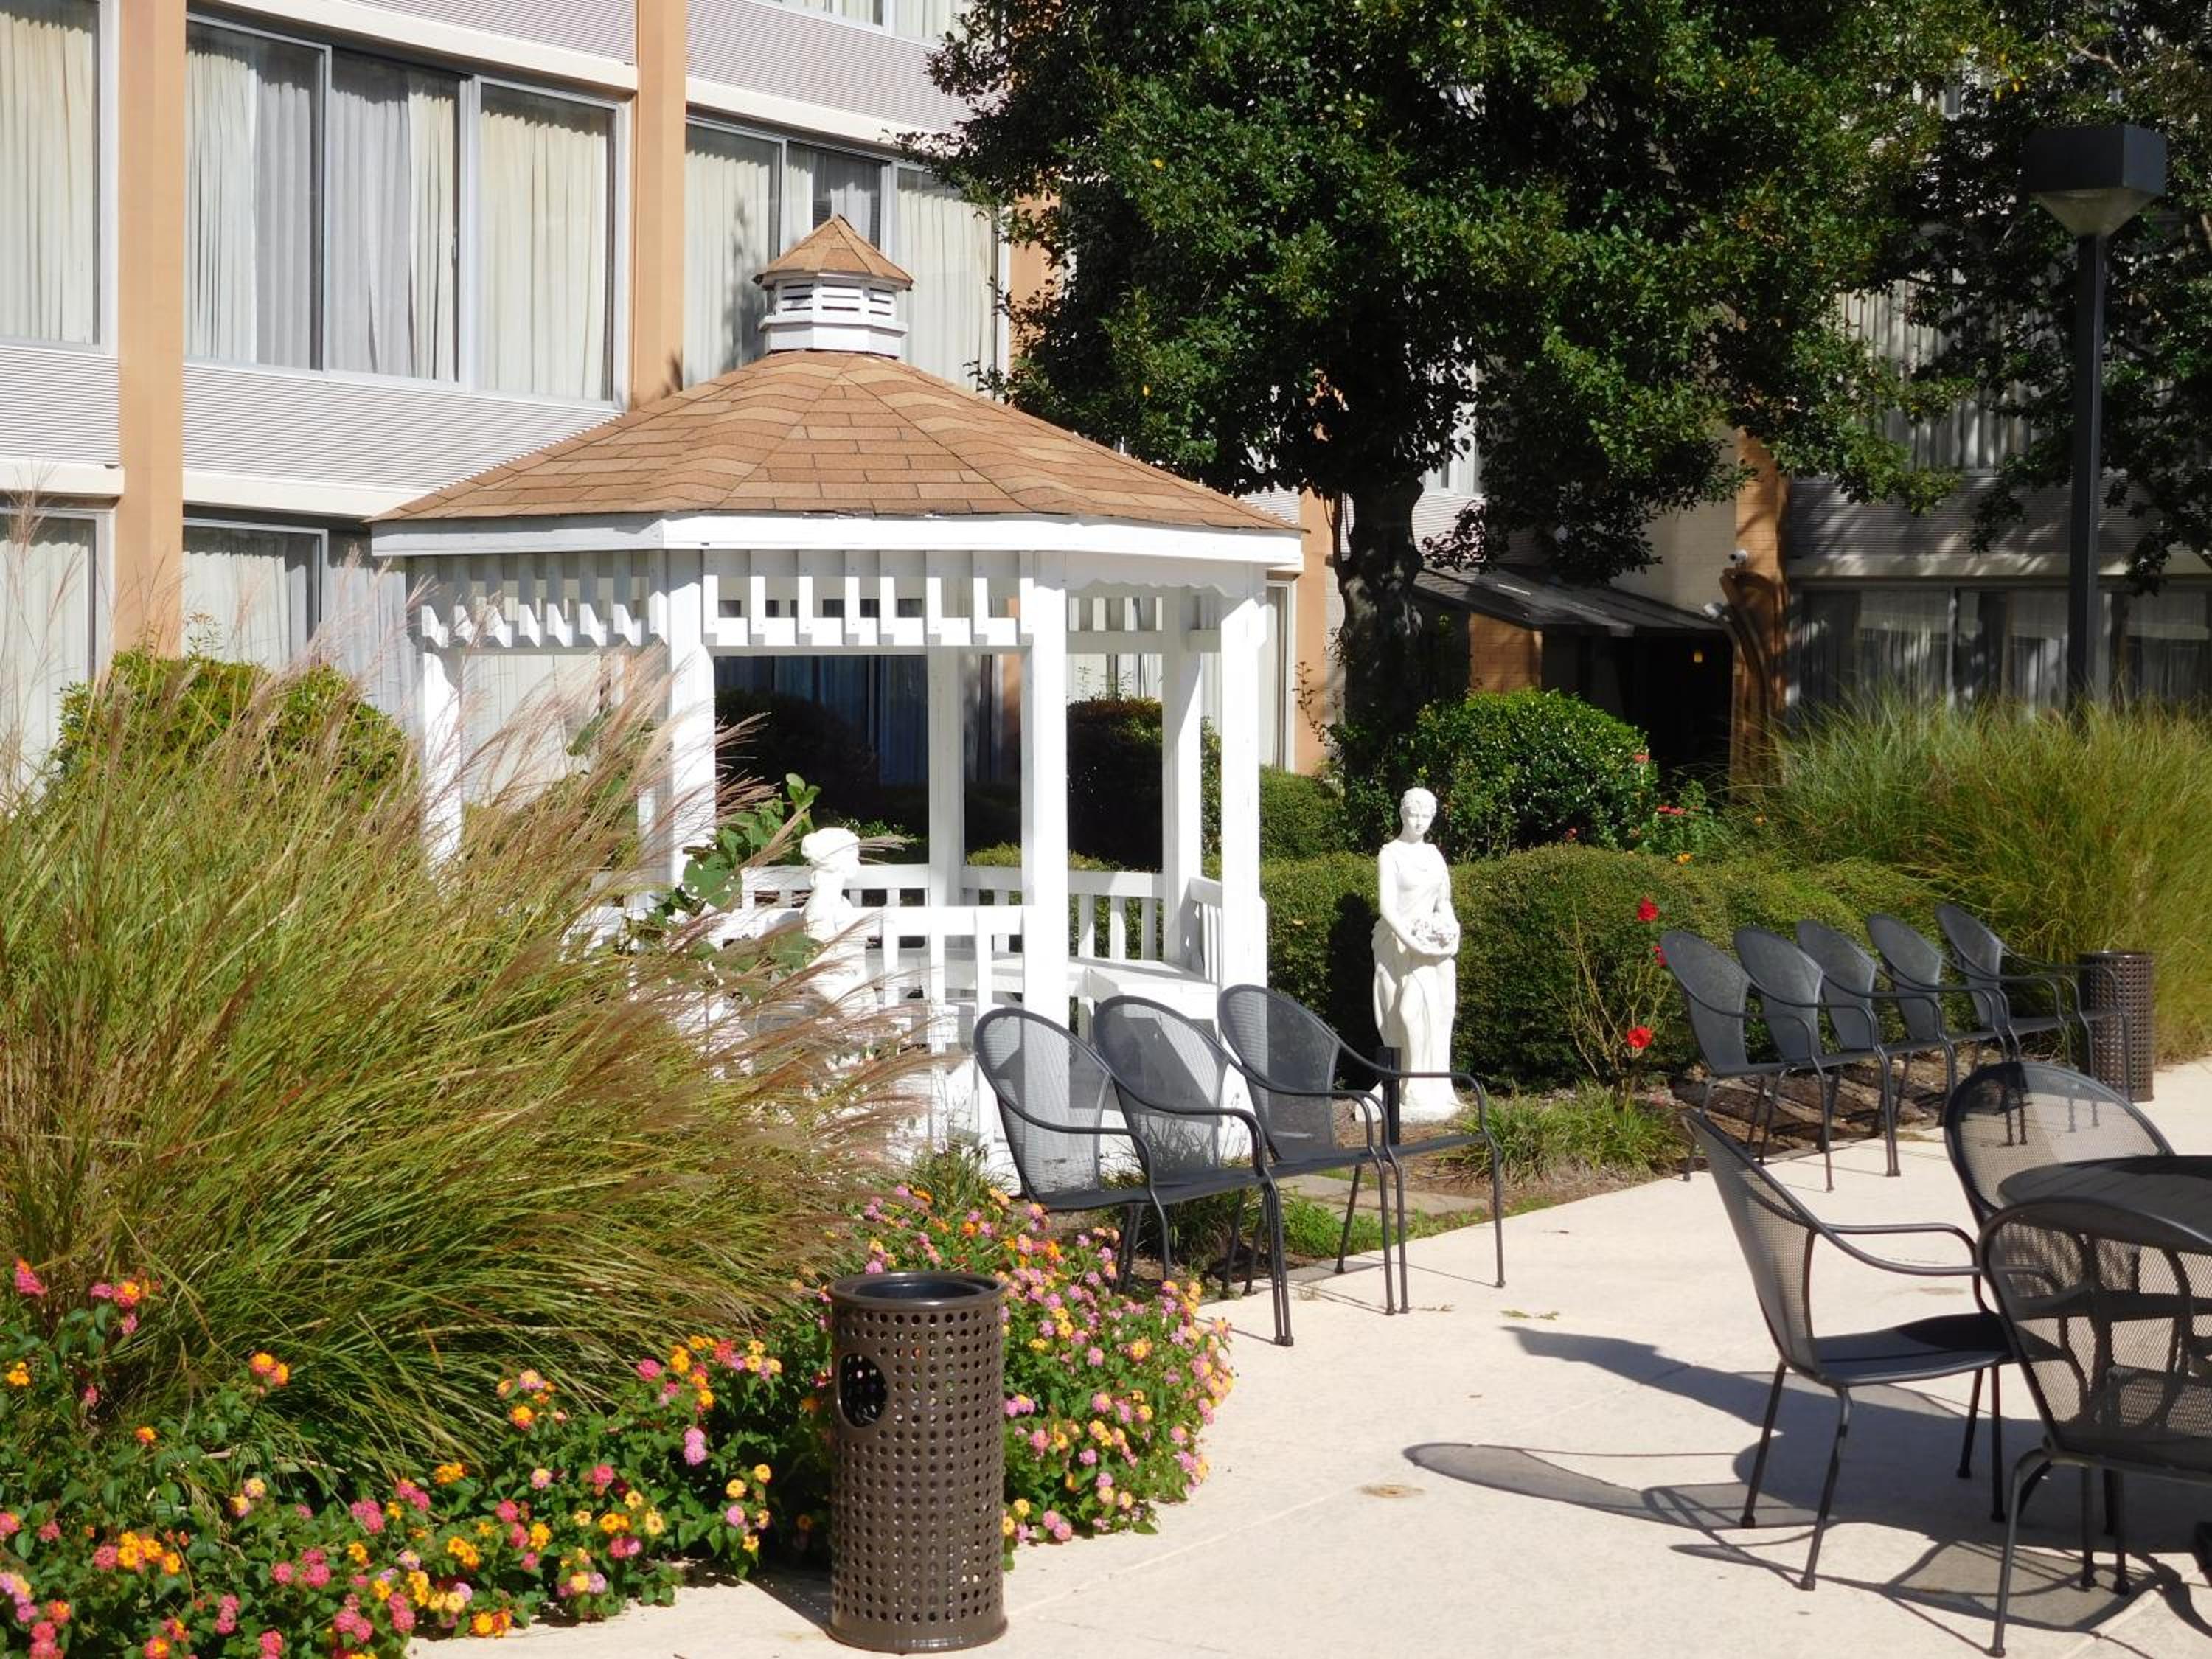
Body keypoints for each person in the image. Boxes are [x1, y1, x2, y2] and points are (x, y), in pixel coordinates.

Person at [1371, 787, 1461, 1123]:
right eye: (1414, 815)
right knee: (1397, 1017)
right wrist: (1411, 941)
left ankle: (1422, 1083)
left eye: (1426, 816)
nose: (1420, 822)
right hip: (1396, 944)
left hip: (1428, 950)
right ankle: (1403, 1083)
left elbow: (1444, 902)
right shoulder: (1390, 854)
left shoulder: (1435, 856)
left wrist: (1450, 928)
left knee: (1423, 1012)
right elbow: (1387, 907)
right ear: (1402, 814)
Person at [799, 826, 870, 1009]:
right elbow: (816, 971)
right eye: (854, 858)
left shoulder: (840, 904)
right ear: (838, 862)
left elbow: (856, 962)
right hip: (833, 1009)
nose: (858, 865)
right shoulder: (819, 908)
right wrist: (851, 1008)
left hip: (851, 998)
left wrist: (866, 996)